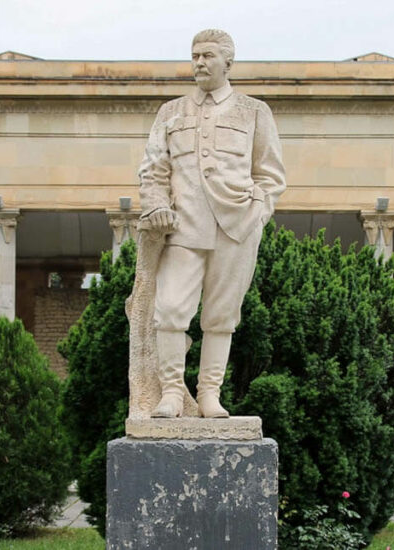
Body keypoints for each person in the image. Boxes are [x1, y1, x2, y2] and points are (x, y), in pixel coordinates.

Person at [138, 29, 286, 418]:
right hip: (182, 228)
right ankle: (172, 392)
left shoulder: (255, 112)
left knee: (221, 316)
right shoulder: (170, 112)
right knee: (169, 311)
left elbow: (271, 175)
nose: (199, 62)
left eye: (208, 56)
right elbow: (153, 169)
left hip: (236, 228)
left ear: (228, 63)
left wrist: (257, 211)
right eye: (195, 55)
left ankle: (208, 395)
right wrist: (155, 205)